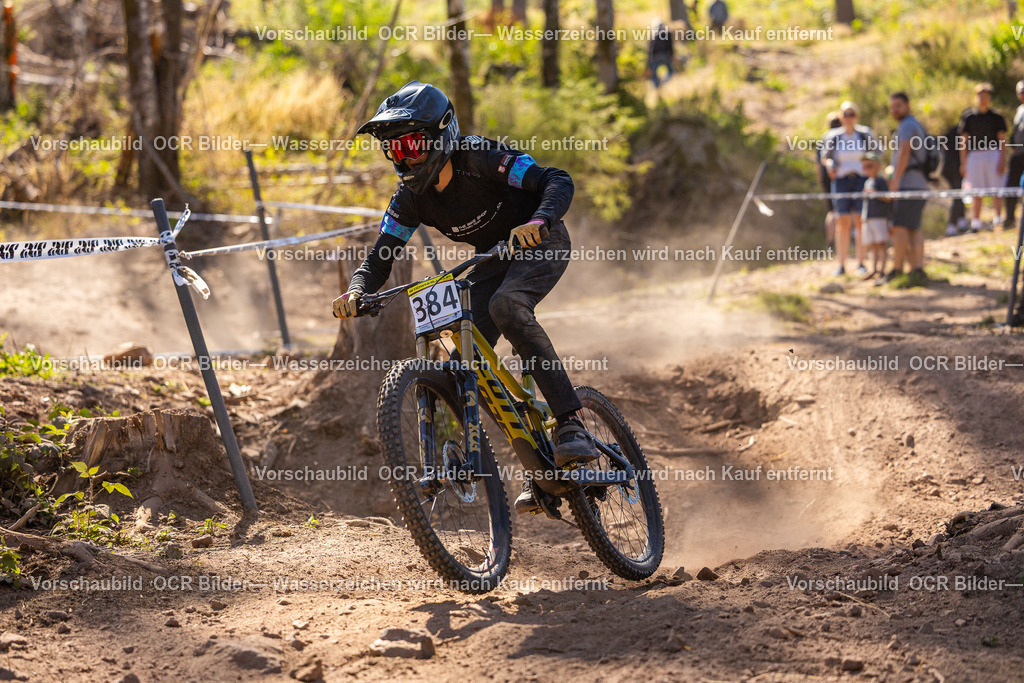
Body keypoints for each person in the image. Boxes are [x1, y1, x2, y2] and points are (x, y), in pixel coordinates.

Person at [333, 81, 595, 515]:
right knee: (460, 366)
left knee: (506, 306)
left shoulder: (481, 158)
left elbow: (556, 179)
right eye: (394, 150)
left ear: (441, 134)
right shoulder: (410, 199)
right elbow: (381, 256)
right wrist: (358, 289)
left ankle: (570, 423)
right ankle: (538, 459)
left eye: (412, 146)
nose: (404, 159)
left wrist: (540, 220)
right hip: (494, 259)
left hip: (541, 242)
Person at [822, 100, 874, 276]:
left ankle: (861, 262)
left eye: (852, 114)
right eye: (846, 114)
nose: (849, 118)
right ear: (841, 117)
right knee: (842, 222)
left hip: (861, 179)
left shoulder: (864, 134)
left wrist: (870, 168)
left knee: (860, 220)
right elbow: (825, 157)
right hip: (841, 180)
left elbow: (876, 153)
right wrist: (830, 166)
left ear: (856, 116)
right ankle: (841, 264)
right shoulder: (834, 136)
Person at [886, 91, 929, 285]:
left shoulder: (907, 125)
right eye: (892, 107)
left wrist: (895, 180)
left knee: (900, 227)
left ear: (907, 105)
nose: (894, 110)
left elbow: (904, 151)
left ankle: (896, 270)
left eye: (898, 105)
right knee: (913, 227)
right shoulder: (914, 124)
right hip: (917, 183)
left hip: (908, 184)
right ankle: (917, 270)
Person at [959, 82, 1007, 232]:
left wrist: (1002, 160)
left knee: (996, 187)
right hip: (975, 155)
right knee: (976, 190)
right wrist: (963, 163)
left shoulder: (996, 117)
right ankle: (976, 222)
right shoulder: (969, 117)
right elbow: (963, 141)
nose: (983, 99)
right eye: (980, 96)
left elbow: (1002, 140)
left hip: (992, 154)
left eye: (985, 96)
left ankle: (998, 218)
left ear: (990, 97)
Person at [860, 152, 890, 281]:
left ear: (877, 166)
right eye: (864, 166)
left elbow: (888, 198)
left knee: (881, 244)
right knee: (872, 245)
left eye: (869, 165)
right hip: (868, 217)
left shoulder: (881, 181)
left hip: (879, 217)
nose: (866, 169)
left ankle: (882, 270)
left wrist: (875, 193)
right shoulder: (867, 182)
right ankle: (874, 269)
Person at [817, 111, 843, 246]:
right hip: (838, 175)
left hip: (825, 175)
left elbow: (818, 163)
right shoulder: (840, 136)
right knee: (842, 211)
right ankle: (841, 240)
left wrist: (821, 178)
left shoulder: (823, 137)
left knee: (832, 211)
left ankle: (831, 241)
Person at [941, 122, 967, 235]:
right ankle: (951, 225)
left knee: (958, 196)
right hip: (955, 169)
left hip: (948, 169)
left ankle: (961, 222)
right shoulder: (962, 131)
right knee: (957, 197)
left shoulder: (952, 130)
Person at [1006, 80, 1024, 228]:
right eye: (1021, 92)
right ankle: (1010, 218)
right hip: (1018, 154)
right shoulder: (1019, 110)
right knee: (1011, 186)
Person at [647, 20, 674, 88]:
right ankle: (663, 83)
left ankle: (657, 86)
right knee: (671, 71)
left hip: (654, 57)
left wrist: (648, 63)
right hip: (664, 56)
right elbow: (670, 46)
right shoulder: (667, 34)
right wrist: (671, 55)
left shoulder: (653, 35)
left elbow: (650, 49)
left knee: (654, 73)